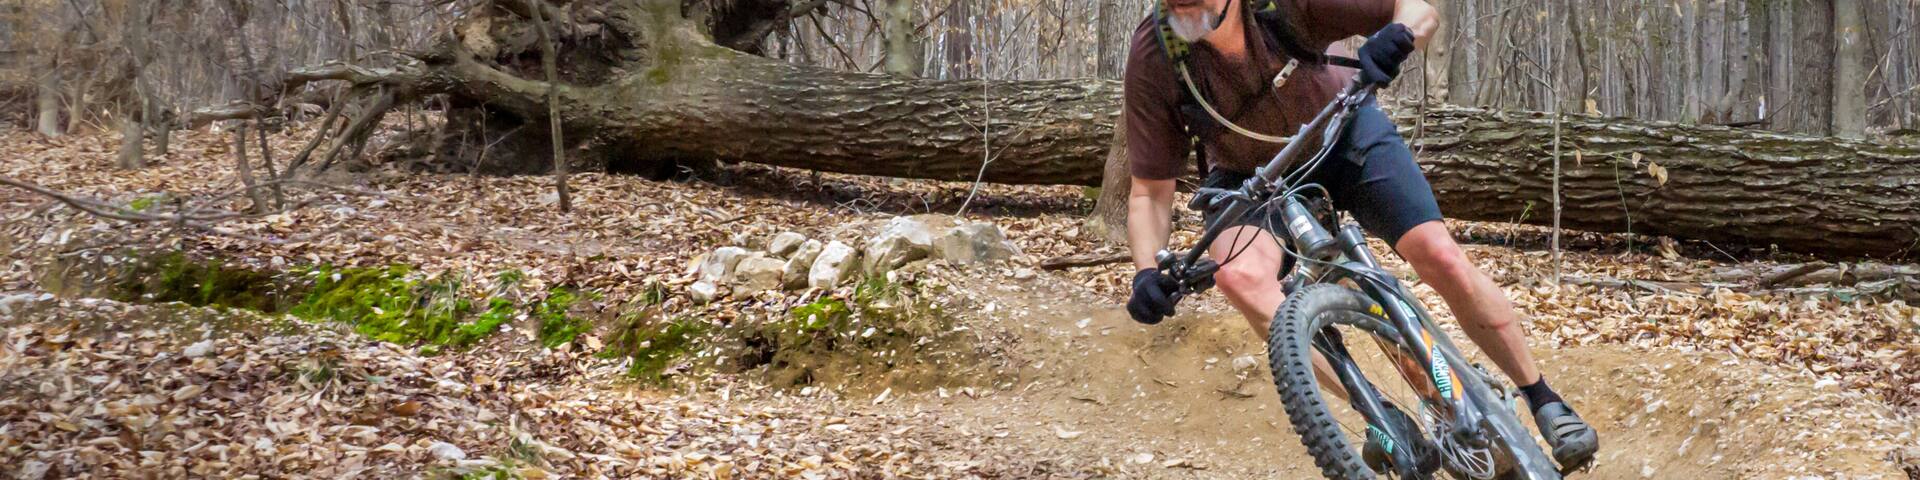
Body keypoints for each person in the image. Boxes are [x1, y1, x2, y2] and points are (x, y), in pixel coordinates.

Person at [1119, 0, 1599, 472]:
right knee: (1238, 277)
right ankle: (1377, 411)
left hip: (1343, 131)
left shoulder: (1286, 7)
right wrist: (1145, 273)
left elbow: (1418, 7)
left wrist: (1398, 36)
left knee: (1436, 254)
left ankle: (1542, 397)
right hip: (1252, 176)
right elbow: (1149, 193)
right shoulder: (1155, 53)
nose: (1181, 5)